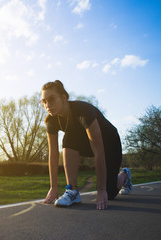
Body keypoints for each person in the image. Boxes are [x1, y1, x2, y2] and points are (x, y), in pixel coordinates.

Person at [40, 80, 133, 210]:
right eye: (44, 101)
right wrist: (53, 187)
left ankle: (125, 174)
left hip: (109, 144)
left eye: (51, 99)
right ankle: (72, 191)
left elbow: (99, 152)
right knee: (70, 135)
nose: (48, 104)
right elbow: (53, 155)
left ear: (64, 98)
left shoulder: (83, 111)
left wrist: (101, 190)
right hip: (85, 144)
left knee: (110, 193)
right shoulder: (51, 121)